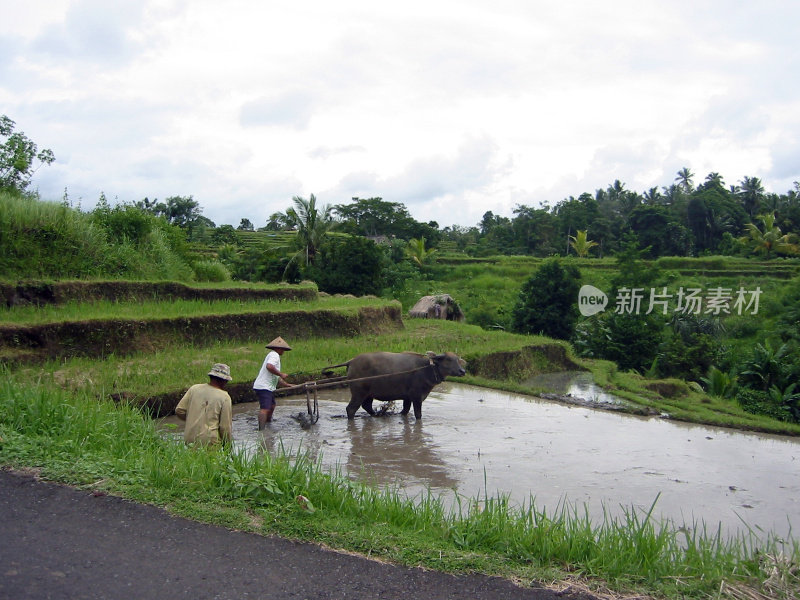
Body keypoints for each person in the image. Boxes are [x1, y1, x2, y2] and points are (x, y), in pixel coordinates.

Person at [174, 363, 233, 446]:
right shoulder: (224, 397)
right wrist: (228, 447)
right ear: (224, 381)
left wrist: (193, 420)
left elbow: (179, 410)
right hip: (210, 441)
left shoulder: (194, 388)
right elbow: (225, 427)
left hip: (190, 438)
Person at [253, 336, 292, 429]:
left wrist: (287, 384)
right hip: (264, 387)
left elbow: (275, 377)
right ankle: (262, 431)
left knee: (272, 405)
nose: (283, 351)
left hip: (266, 387)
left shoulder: (272, 355)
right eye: (282, 349)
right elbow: (269, 367)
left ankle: (268, 423)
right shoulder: (274, 355)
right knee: (265, 409)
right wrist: (281, 374)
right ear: (278, 348)